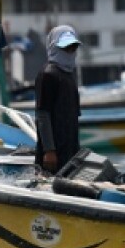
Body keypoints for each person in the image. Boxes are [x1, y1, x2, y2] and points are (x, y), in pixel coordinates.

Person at [34, 25, 82, 174]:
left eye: (73, 48)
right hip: (53, 151)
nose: (70, 52)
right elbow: (42, 114)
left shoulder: (70, 74)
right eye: (66, 48)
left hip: (70, 146)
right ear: (54, 47)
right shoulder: (48, 74)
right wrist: (49, 150)